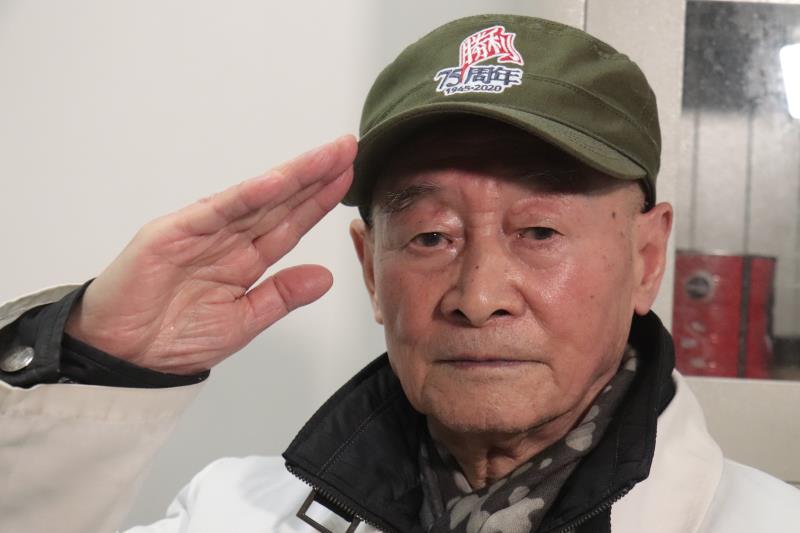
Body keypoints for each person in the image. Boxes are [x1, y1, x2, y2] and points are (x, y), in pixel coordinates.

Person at [1, 13, 798, 533]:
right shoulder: (231, 511)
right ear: (370, 271)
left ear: (646, 259)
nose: (478, 296)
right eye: (429, 235)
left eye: (539, 230)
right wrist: (92, 363)